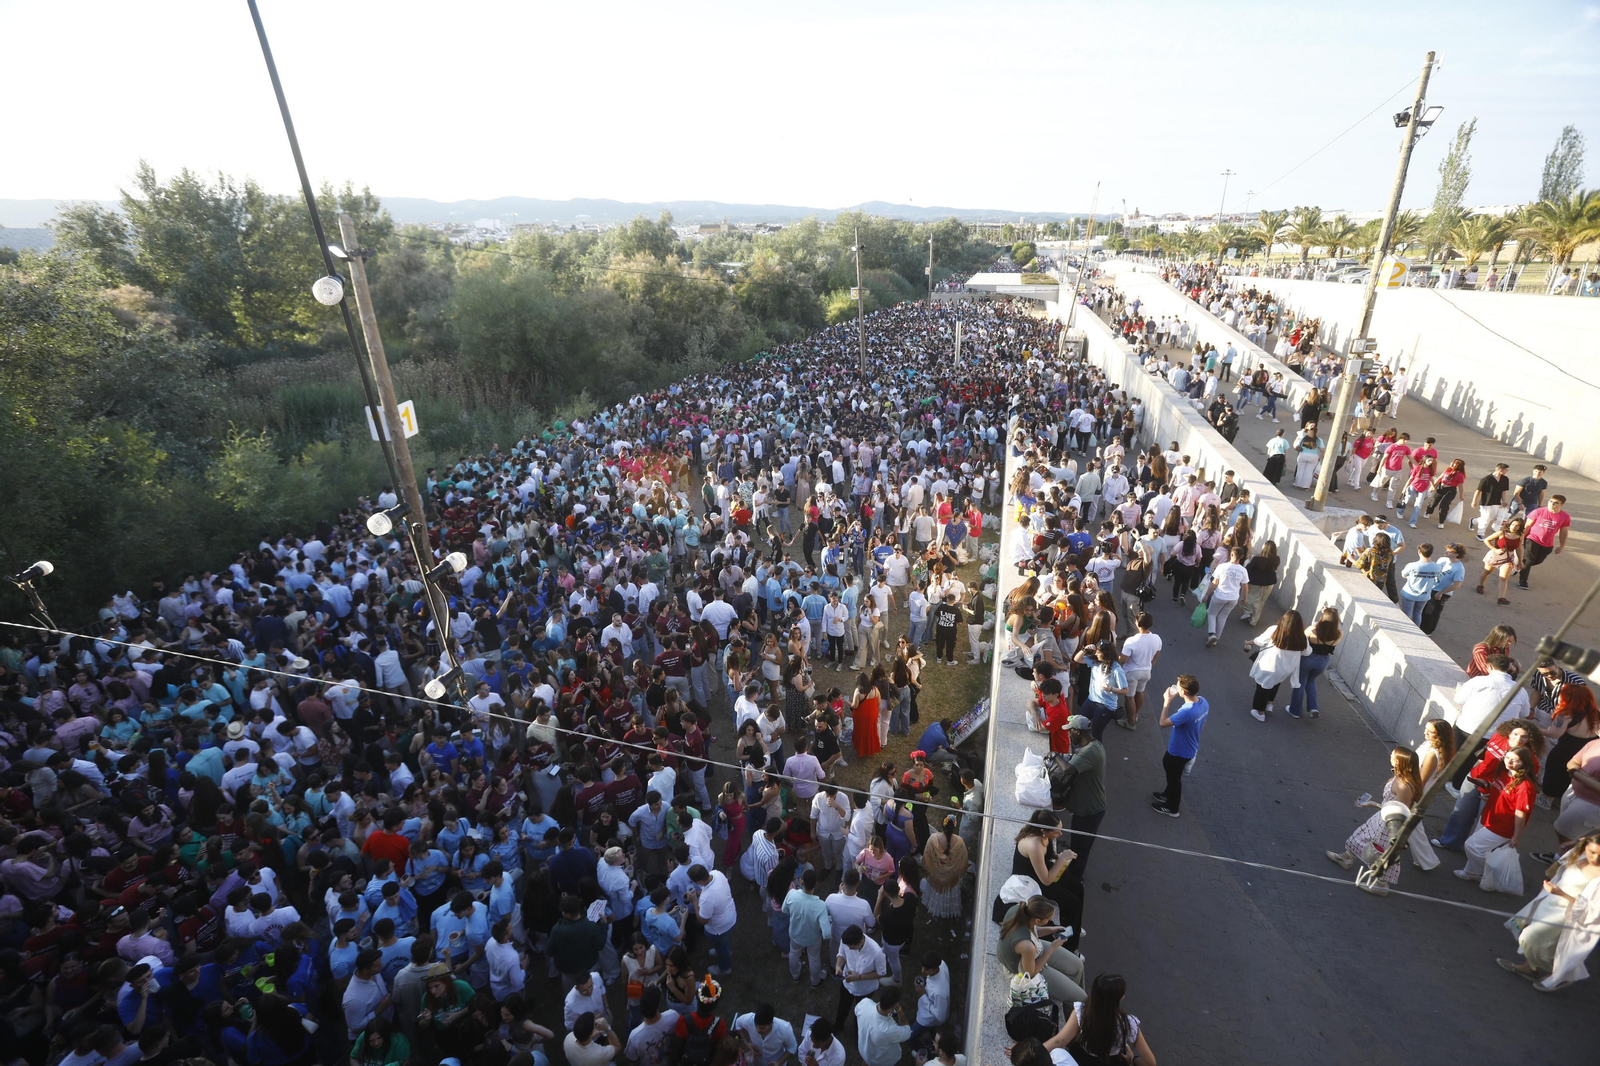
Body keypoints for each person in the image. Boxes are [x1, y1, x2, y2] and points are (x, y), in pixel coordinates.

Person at [1499, 833, 1600, 991]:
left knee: (1529, 937)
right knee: (1541, 941)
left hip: (1565, 914)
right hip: (1549, 903)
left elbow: (1594, 909)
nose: (1595, 857)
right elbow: (1560, 872)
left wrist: (1561, 893)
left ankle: (1560, 974)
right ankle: (1530, 969)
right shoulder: (1578, 854)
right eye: (1592, 851)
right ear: (1586, 846)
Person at [1325, 748, 1423, 885]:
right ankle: (1347, 858)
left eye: (1393, 755)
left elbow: (1399, 811)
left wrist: (1374, 804)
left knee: (1380, 852)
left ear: (1399, 761)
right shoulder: (1400, 776)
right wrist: (1374, 805)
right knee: (1361, 836)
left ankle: (1381, 884)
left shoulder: (1404, 786)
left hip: (1388, 824)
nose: (1390, 756)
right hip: (1383, 817)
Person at [1455, 746, 1537, 882]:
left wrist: (1516, 836)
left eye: (1515, 760)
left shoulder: (1525, 787)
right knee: (1481, 849)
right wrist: (1488, 788)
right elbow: (1501, 791)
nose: (1509, 762)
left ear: (1524, 763)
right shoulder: (1506, 772)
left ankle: (1492, 874)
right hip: (1488, 816)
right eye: (1508, 757)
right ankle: (1471, 872)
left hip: (1502, 826)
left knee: (1471, 845)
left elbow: (1520, 813)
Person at [1042, 972, 1157, 1065]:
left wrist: (1033, 1054)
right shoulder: (1128, 1023)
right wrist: (1132, 1059)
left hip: (1082, 1058)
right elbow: (1150, 1062)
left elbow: (1059, 1041)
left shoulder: (1082, 1011)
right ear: (1120, 998)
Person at [996, 896, 1087, 1006]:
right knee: (1082, 998)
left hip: (1033, 949)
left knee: (1078, 965)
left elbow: (1031, 930)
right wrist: (1053, 947)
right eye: (1048, 920)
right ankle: (1073, 1012)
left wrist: (1052, 929)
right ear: (1038, 920)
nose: (1050, 921)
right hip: (1024, 968)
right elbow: (1031, 972)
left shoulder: (1019, 909)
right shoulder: (1026, 946)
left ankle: (1072, 1003)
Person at [1151, 674, 1208, 818]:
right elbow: (1203, 723)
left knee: (1174, 778)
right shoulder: (1203, 702)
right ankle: (1167, 794)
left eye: (1178, 686)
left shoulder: (1186, 711)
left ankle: (1172, 807)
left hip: (1179, 751)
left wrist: (1167, 701)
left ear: (1183, 692)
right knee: (1167, 765)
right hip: (1186, 747)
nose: (1176, 688)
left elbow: (1163, 723)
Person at [1246, 611, 1310, 723]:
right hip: (1286, 669)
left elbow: (1260, 641)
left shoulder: (1275, 629)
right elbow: (1307, 652)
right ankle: (1269, 704)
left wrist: (1251, 642)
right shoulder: (1301, 637)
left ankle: (1259, 712)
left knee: (1263, 687)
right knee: (1276, 683)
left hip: (1269, 665)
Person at [1287, 607, 1342, 720]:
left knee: (1300, 683)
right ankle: (1313, 708)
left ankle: (1295, 711)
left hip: (1308, 659)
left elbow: (1301, 639)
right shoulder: (1339, 633)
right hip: (1323, 662)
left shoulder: (1312, 630)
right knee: (1311, 681)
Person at [1198, 546, 1249, 648]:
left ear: (1231, 554)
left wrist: (1207, 595)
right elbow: (1245, 587)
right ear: (1242, 556)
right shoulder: (1243, 570)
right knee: (1223, 617)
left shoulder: (1222, 567)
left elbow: (1214, 583)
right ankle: (1217, 638)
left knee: (1212, 614)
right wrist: (1245, 598)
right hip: (1233, 598)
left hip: (1219, 595)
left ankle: (1212, 634)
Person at [1519, 495, 1571, 590]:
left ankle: (1519, 565)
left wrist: (1562, 546)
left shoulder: (1565, 517)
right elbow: (1527, 526)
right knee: (1529, 559)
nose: (1552, 504)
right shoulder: (1538, 511)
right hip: (1532, 539)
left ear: (1562, 504)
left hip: (1547, 544)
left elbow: (1564, 532)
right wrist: (1521, 539)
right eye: (1550, 501)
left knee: (1538, 560)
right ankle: (1523, 580)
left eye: (1556, 503)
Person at [854, 985, 913, 1066]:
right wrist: (899, 1010)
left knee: (866, 1062)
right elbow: (907, 1032)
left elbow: (856, 1011)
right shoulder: (888, 1029)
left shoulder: (864, 1003)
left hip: (864, 1051)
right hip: (881, 1061)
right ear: (893, 1006)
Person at [1398, 543, 1445, 626]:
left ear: (1419, 551)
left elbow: (1404, 575)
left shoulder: (1412, 565)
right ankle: (1416, 631)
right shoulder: (1437, 567)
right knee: (1418, 613)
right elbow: (1438, 579)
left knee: (1407, 614)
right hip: (1425, 595)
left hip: (1409, 593)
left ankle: (1405, 629)